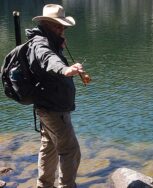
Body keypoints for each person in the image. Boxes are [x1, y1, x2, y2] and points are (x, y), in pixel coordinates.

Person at [25, 4, 83, 188]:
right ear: (46, 24)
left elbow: (49, 59)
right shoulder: (41, 45)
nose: (62, 29)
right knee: (70, 151)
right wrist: (66, 69)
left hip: (46, 107)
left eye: (63, 26)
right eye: (58, 26)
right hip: (53, 109)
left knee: (48, 148)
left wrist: (59, 45)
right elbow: (48, 60)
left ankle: (44, 185)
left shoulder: (46, 40)